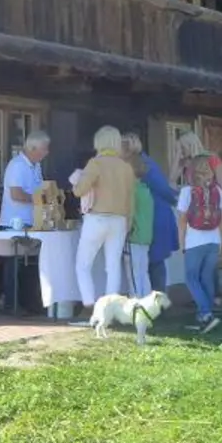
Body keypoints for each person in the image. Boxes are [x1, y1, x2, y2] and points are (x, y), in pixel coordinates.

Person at [69, 125, 137, 311]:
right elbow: (131, 199)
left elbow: (79, 191)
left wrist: (77, 181)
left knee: (83, 265)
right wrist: (129, 222)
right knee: (113, 266)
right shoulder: (126, 167)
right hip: (120, 220)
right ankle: (111, 307)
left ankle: (89, 306)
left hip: (97, 218)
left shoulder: (95, 163)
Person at [122, 131, 180, 293]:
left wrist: (175, 197)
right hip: (152, 215)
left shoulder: (142, 164)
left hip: (153, 216)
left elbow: (164, 190)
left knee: (154, 261)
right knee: (152, 262)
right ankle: (156, 301)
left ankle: (158, 301)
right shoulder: (145, 162)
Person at [176, 153, 222, 334]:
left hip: (194, 241)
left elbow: (182, 220)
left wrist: (181, 242)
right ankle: (206, 312)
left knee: (191, 277)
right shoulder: (218, 191)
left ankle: (206, 314)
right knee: (206, 277)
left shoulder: (187, 192)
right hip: (213, 240)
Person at [0, 131, 48, 229]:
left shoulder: (37, 166)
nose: (47, 152)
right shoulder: (18, 165)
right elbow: (16, 194)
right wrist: (41, 199)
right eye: (44, 149)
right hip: (15, 224)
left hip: (31, 222)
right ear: (33, 149)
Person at [125, 155, 156, 298]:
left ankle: (137, 308)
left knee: (134, 275)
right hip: (146, 236)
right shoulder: (146, 189)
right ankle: (148, 306)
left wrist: (126, 232)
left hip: (134, 237)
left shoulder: (132, 191)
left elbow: (130, 214)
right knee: (143, 272)